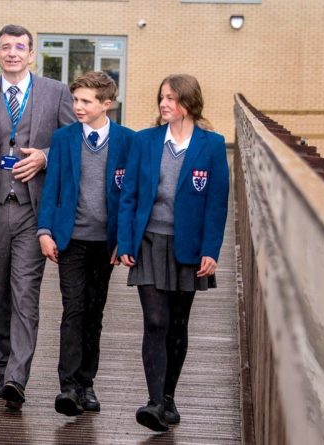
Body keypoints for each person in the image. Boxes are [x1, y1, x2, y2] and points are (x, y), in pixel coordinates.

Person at [0, 24, 75, 410]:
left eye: (19, 48)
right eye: (5, 48)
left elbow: (72, 145)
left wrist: (46, 156)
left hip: (33, 210)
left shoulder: (56, 93)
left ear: (31, 53)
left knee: (25, 293)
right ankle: (2, 367)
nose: (12, 54)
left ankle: (16, 378)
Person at [117, 74, 230, 431]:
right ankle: (153, 402)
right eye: (161, 97)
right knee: (155, 321)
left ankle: (168, 398)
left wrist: (211, 250)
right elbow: (129, 195)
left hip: (188, 247)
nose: (164, 104)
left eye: (171, 98)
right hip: (149, 241)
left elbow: (217, 203)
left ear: (189, 102)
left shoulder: (212, 146)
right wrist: (125, 240)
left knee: (178, 325)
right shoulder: (145, 141)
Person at [36, 71, 135, 416]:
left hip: (104, 243)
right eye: (75, 100)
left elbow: (130, 196)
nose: (77, 106)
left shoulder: (127, 140)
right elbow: (53, 188)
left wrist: (124, 240)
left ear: (106, 104)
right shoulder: (64, 139)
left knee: (94, 313)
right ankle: (68, 387)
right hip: (71, 240)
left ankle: (87, 384)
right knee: (73, 309)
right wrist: (45, 230)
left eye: (85, 101)